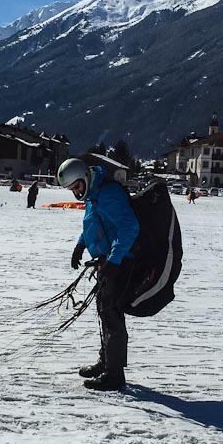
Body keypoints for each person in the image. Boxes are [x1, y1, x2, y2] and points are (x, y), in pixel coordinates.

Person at [58, 157, 139, 392]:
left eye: (76, 187)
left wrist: (114, 261)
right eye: (71, 189)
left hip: (120, 263)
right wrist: (80, 244)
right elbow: (92, 224)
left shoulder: (108, 193)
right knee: (104, 313)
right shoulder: (94, 195)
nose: (76, 192)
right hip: (107, 262)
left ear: (85, 177)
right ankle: (106, 362)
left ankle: (114, 374)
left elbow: (129, 227)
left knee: (111, 316)